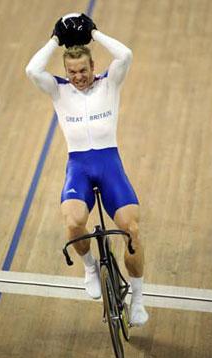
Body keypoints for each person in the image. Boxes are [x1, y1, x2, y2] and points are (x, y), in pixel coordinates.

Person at [26, 14, 148, 326]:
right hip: (78, 167)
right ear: (66, 72)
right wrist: (55, 39)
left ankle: (138, 297)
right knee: (73, 222)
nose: (78, 76)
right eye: (72, 72)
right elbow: (31, 70)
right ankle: (91, 267)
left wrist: (94, 32)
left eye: (83, 70)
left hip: (110, 166)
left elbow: (126, 55)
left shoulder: (110, 83)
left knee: (131, 230)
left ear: (93, 67)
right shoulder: (59, 91)